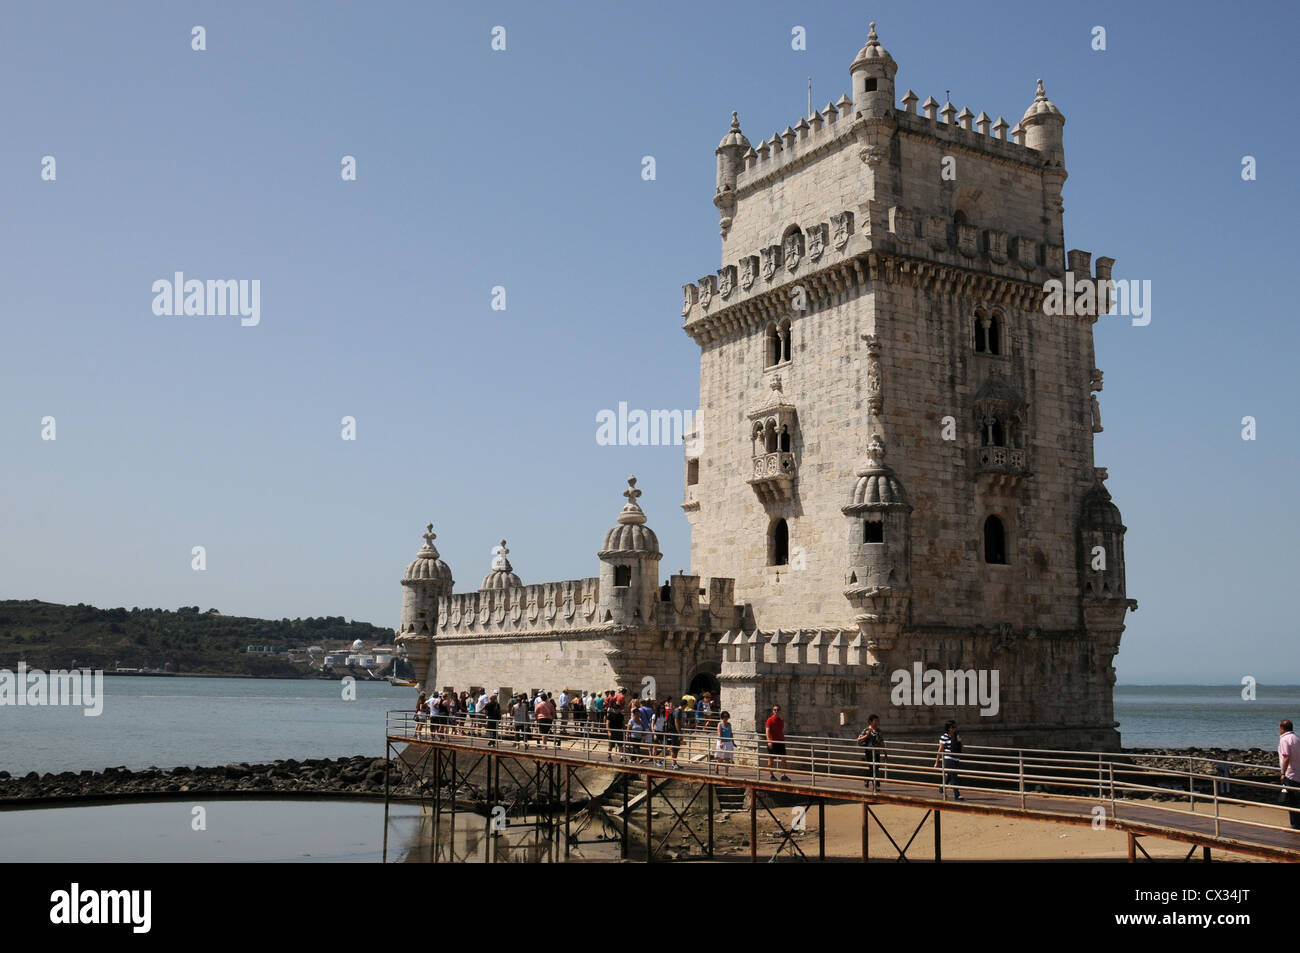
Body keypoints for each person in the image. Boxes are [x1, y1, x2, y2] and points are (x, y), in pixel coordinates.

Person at [856, 713, 886, 791]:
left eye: (877, 721)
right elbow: (858, 739)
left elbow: (882, 741)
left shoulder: (879, 731)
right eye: (875, 721)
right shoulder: (866, 730)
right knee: (870, 768)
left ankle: (874, 783)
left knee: (876, 768)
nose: (877, 723)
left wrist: (885, 751)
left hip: (876, 753)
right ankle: (871, 782)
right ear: (871, 722)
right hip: (869, 752)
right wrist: (866, 736)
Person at [1279, 719, 1300, 830]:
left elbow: (1286, 757)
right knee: (1297, 802)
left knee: (1292, 802)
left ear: (1282, 728)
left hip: (1290, 775)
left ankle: (1295, 826)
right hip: (1298, 774)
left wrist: (1282, 773)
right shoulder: (1296, 738)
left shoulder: (1284, 739)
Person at [935, 720, 962, 800]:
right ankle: (957, 795)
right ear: (949, 728)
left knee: (950, 775)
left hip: (956, 758)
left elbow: (960, 747)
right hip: (948, 758)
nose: (955, 728)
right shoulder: (944, 737)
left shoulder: (956, 736)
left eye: (955, 727)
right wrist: (936, 762)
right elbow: (940, 750)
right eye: (953, 727)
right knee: (954, 776)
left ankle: (941, 788)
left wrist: (959, 742)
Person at [765, 704, 788, 781]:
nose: (776, 711)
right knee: (771, 759)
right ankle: (771, 775)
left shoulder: (781, 720)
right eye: (775, 710)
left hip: (780, 741)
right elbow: (767, 731)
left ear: (779, 711)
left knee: (784, 758)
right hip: (772, 741)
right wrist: (769, 741)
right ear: (773, 711)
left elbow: (781, 731)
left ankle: (783, 774)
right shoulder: (770, 720)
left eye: (777, 710)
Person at [713, 711, 735, 776]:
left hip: (728, 742)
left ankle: (726, 772)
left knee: (727, 758)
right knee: (721, 758)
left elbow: (731, 733)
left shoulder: (729, 724)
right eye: (724, 717)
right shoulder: (720, 724)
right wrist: (721, 742)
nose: (726, 718)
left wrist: (733, 742)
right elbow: (719, 733)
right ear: (722, 717)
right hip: (722, 742)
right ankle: (717, 765)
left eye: (727, 717)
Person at [605, 690, 624, 761]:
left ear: (619, 709)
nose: (616, 710)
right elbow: (607, 723)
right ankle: (609, 756)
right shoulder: (610, 715)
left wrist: (624, 730)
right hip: (612, 731)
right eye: (615, 709)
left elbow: (622, 723)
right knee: (611, 746)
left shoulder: (621, 715)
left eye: (617, 709)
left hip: (619, 731)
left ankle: (621, 757)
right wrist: (608, 731)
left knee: (621, 745)